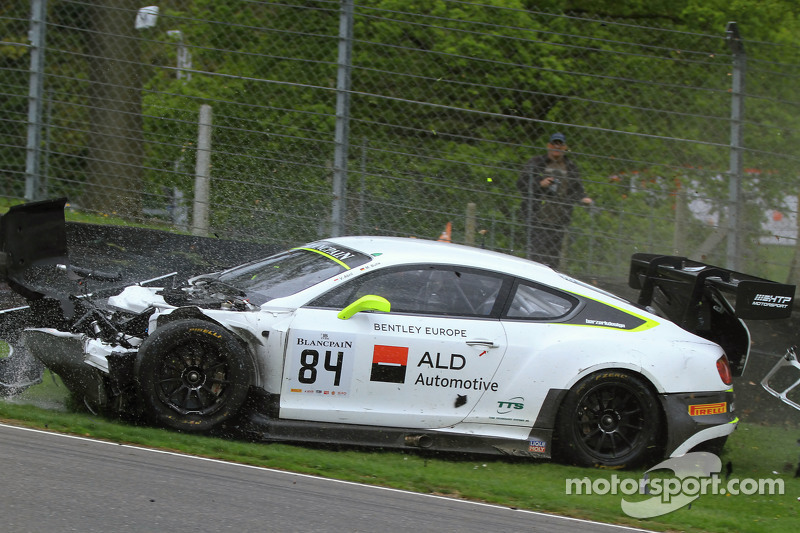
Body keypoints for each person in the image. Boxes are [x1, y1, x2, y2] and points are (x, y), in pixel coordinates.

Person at [517, 132, 592, 266]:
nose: (556, 147)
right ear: (548, 145)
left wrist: (584, 198)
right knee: (535, 258)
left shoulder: (570, 167)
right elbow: (521, 184)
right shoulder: (536, 163)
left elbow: (577, 189)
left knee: (553, 260)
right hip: (536, 218)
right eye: (554, 144)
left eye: (560, 144)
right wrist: (540, 184)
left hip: (559, 220)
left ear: (564, 147)